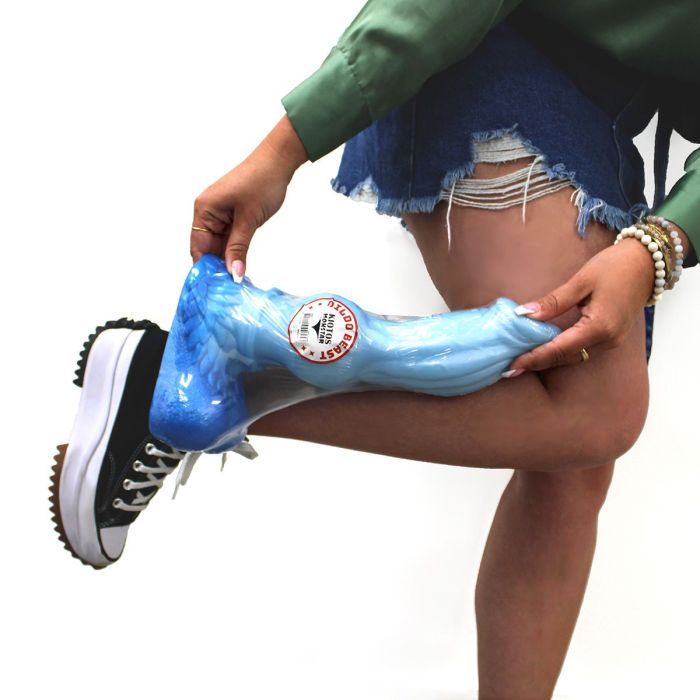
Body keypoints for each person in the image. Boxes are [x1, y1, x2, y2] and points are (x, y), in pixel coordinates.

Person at [50, 2, 698, 698]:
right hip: (487, 52)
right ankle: (185, 379)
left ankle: (193, 381)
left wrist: (660, 244)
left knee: (572, 463)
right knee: (595, 409)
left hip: (601, 105)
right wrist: (282, 150)